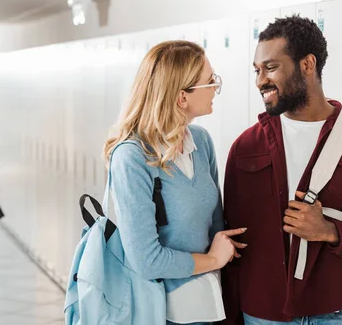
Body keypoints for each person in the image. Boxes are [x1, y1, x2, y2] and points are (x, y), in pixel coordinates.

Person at [221, 15, 342, 324]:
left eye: (271, 68)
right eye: (257, 70)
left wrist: (330, 231)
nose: (260, 81)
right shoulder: (245, 148)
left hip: (337, 312)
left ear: (307, 65)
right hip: (262, 314)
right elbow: (232, 245)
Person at [103, 40, 246, 325]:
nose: (215, 88)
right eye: (209, 81)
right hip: (161, 311)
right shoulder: (132, 157)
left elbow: (216, 229)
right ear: (182, 97)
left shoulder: (201, 142)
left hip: (207, 304)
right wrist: (213, 261)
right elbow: (147, 260)